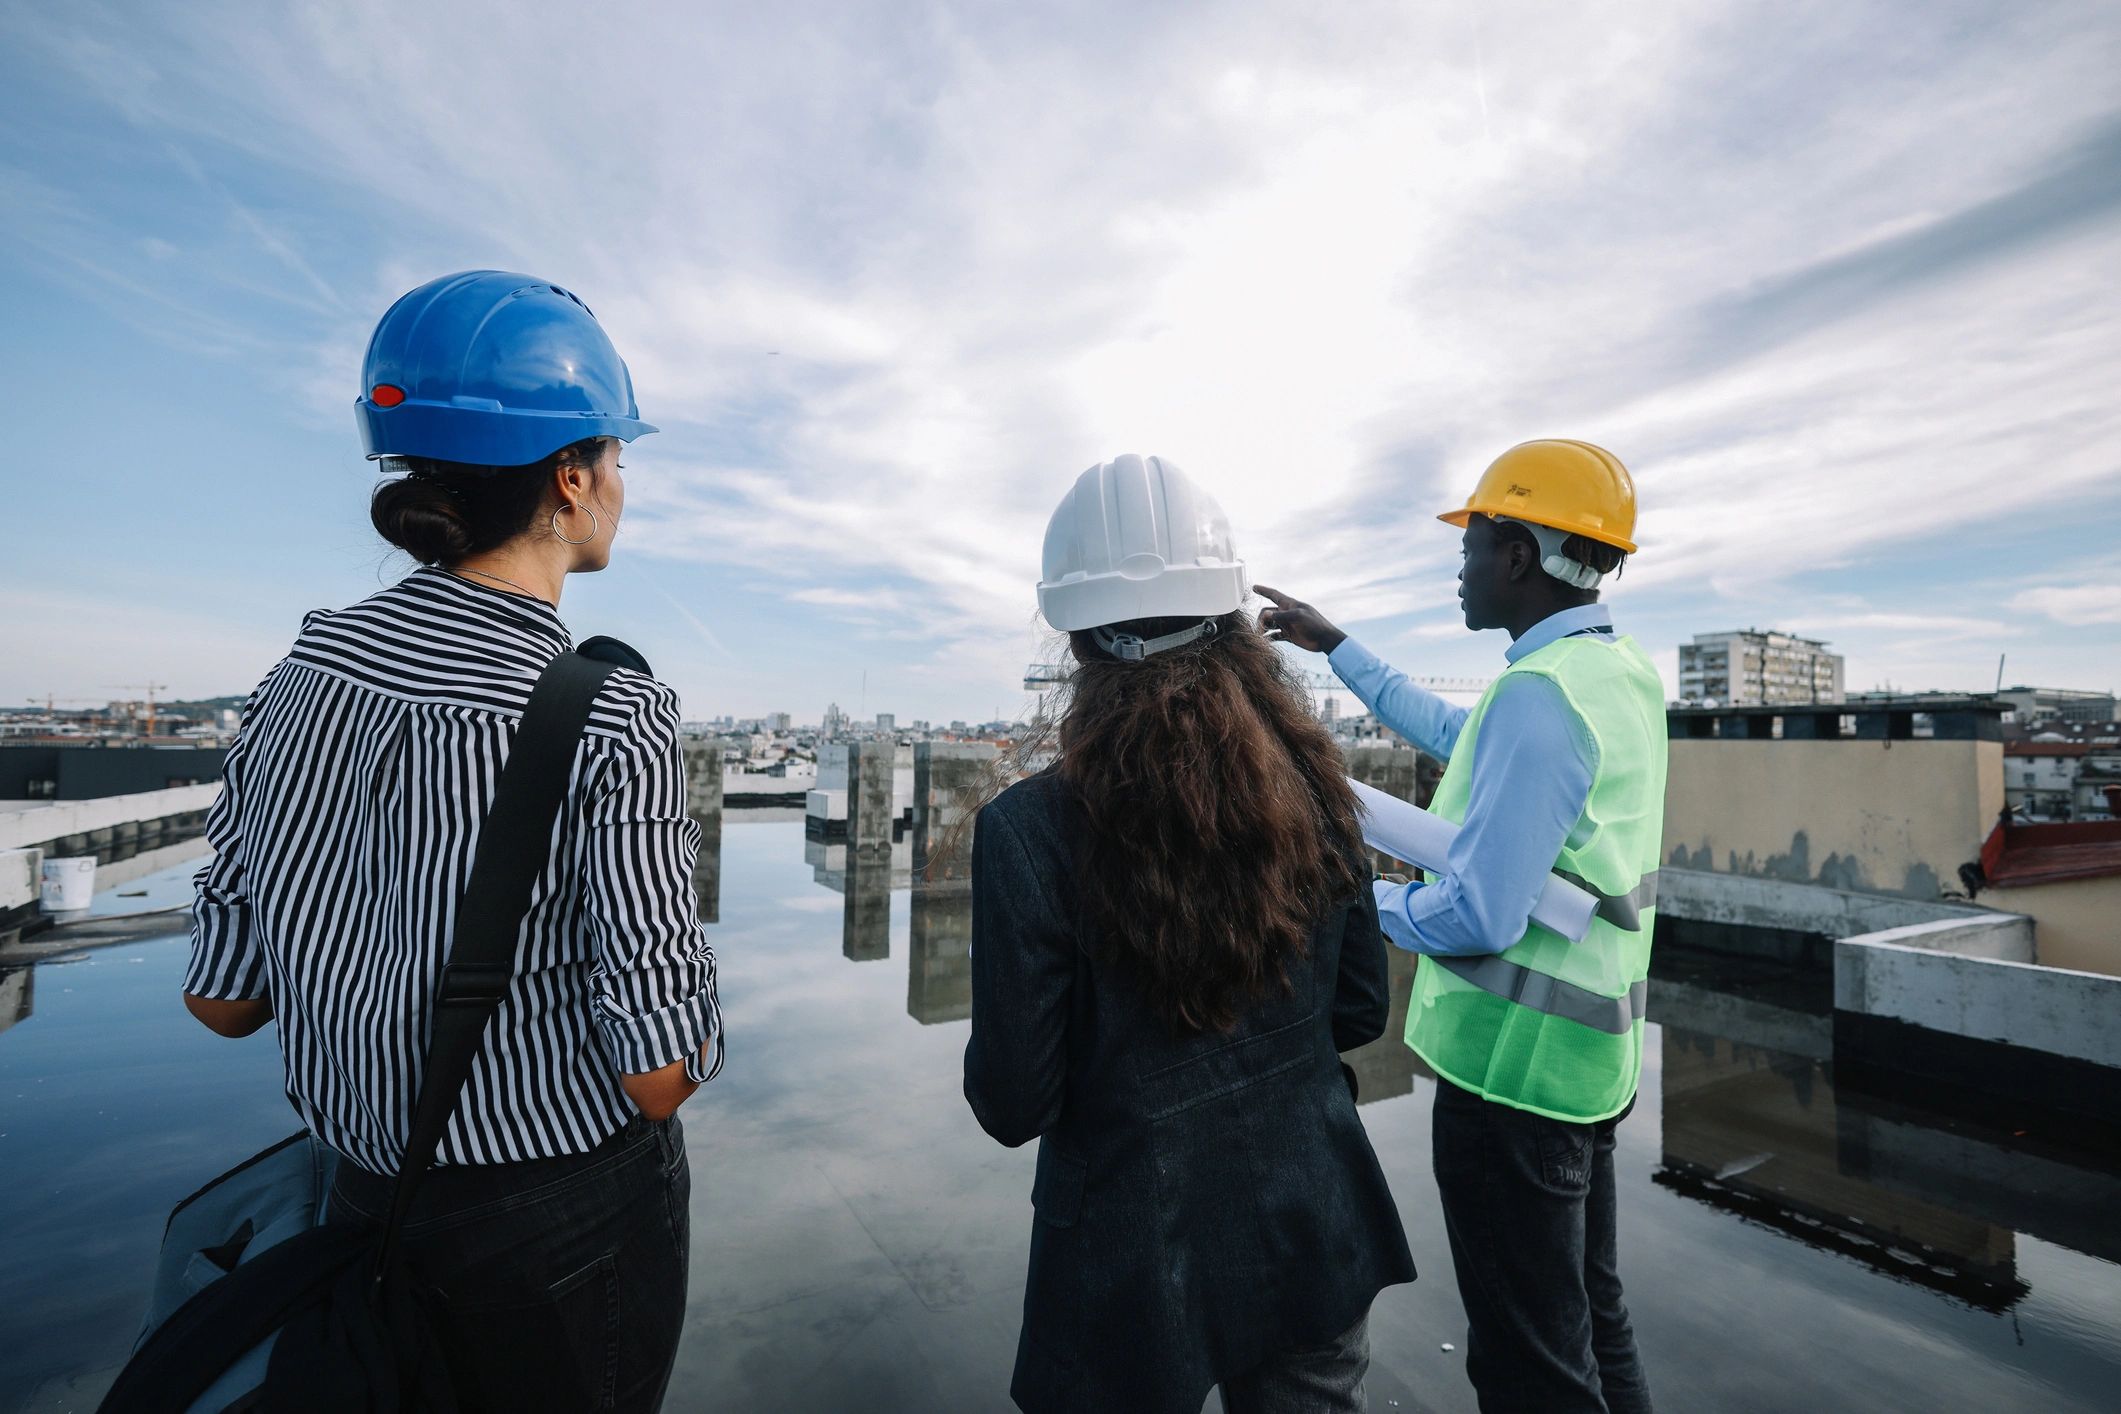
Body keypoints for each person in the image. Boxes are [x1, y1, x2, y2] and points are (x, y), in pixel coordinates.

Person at [182, 271, 722, 1412]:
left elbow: (224, 1001)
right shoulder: (613, 714)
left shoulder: (299, 677)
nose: (622, 481)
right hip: (558, 1233)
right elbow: (661, 1074)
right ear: (570, 479)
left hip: (359, 1207)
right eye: (618, 456)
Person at [964, 454, 1416, 1414]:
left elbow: (1012, 1104)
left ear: (1080, 646)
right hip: (1312, 1220)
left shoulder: (1026, 833)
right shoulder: (1320, 792)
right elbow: (1360, 1012)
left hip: (1125, 1259)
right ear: (1238, 634)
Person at [1257, 438, 1665, 1414]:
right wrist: (1338, 646)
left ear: (1518, 554)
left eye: (1474, 540)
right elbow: (1459, 734)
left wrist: (1348, 898)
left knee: (1528, 1363)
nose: (1461, 564)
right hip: (1587, 1067)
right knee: (1592, 1326)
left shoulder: (1542, 695)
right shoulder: (1609, 674)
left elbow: (1479, 910)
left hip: (1513, 1081)